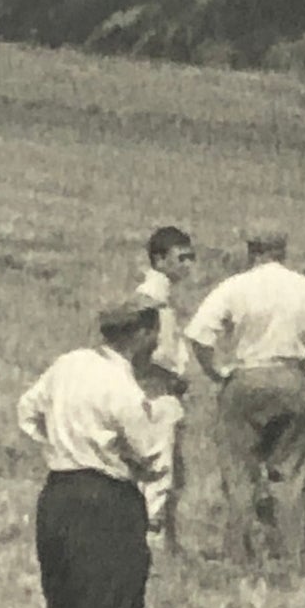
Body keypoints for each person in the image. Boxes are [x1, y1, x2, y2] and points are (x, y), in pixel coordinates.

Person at [16, 300, 170, 608]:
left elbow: (27, 411)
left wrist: (60, 445)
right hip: (106, 500)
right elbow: (151, 454)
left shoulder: (67, 365)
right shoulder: (123, 388)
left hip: (58, 494)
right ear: (141, 334)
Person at [185, 221, 305, 570]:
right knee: (292, 477)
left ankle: (239, 556)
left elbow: (199, 335)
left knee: (239, 474)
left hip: (246, 378)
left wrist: (216, 371)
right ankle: (293, 558)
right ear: (283, 251)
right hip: (293, 378)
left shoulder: (234, 287)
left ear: (251, 250)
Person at [133, 225, 196, 544]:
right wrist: (170, 377)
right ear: (159, 260)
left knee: (170, 472)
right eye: (180, 258)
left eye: (190, 258)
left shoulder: (163, 299)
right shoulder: (150, 300)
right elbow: (143, 352)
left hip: (165, 392)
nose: (188, 265)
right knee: (159, 471)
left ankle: (165, 539)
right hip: (155, 393)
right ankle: (151, 539)